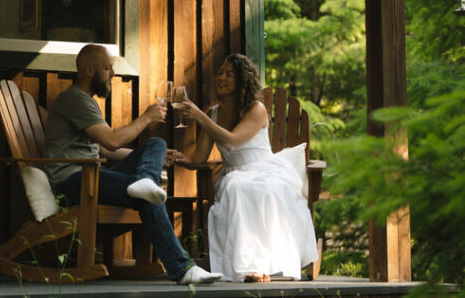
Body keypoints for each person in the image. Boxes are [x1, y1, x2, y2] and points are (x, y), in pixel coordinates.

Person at [44, 44, 221, 284]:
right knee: (146, 194)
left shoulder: (84, 101)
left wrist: (152, 156)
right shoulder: (74, 99)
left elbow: (104, 149)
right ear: (88, 70)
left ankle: (143, 180)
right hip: (74, 183)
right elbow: (112, 141)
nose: (112, 74)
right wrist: (146, 117)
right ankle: (182, 268)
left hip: (90, 176)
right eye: (107, 68)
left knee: (156, 144)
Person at [176, 54, 319, 282]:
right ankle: (248, 266)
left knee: (260, 189)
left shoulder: (257, 109)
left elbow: (232, 142)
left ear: (243, 80)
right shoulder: (214, 113)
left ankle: (263, 265)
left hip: (265, 169)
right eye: (220, 73)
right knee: (236, 186)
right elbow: (199, 157)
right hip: (234, 172)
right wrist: (178, 158)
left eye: (229, 74)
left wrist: (199, 117)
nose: (221, 78)